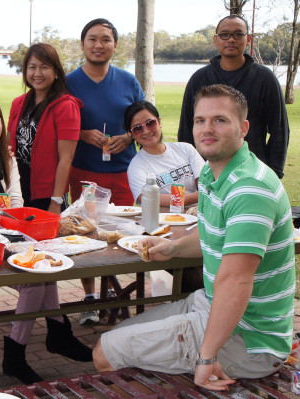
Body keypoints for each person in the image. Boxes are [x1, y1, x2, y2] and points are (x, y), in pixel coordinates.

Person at [93, 84, 294, 392]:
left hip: (251, 339)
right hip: (209, 304)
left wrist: (206, 357)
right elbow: (208, 232)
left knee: (104, 354)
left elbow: (236, 282)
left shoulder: (250, 189)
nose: (207, 129)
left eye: (220, 120)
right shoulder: (215, 176)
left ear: (244, 128)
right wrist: (171, 246)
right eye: (200, 120)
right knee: (118, 336)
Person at [0, 95, 91, 384]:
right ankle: (25, 348)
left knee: (43, 268)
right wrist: (0, 230)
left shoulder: (7, 158)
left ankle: (54, 335)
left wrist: (9, 230)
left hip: (10, 238)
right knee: (35, 278)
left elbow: (16, 204)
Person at [66, 18, 144, 325]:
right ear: (83, 43)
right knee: (84, 234)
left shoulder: (127, 81)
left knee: (122, 232)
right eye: (93, 39)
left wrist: (128, 136)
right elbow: (60, 123)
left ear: (115, 45)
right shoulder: (69, 82)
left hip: (124, 170)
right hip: (83, 171)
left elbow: (142, 120)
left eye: (106, 39)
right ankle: (89, 298)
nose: (99, 45)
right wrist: (84, 133)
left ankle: (119, 292)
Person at [178, 15, 289, 179]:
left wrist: (274, 171)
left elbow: (279, 129)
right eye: (224, 34)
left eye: (238, 34)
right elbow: (187, 129)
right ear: (216, 40)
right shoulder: (200, 79)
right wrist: (193, 170)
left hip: (252, 170)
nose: (231, 39)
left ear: (248, 39)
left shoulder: (264, 78)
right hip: (209, 170)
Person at [7, 43, 80, 215]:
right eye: (32, 67)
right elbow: (7, 145)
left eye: (44, 67)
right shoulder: (18, 103)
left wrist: (56, 201)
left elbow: (66, 158)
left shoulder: (66, 106)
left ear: (55, 72)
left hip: (47, 195)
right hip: (17, 191)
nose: (37, 73)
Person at [125, 101, 204, 206]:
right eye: (138, 128)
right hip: (164, 220)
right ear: (131, 134)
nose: (146, 131)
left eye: (150, 123)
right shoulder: (136, 166)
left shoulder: (186, 149)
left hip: (197, 215)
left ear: (159, 122)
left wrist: (203, 194)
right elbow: (150, 199)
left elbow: (205, 181)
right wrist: (198, 196)